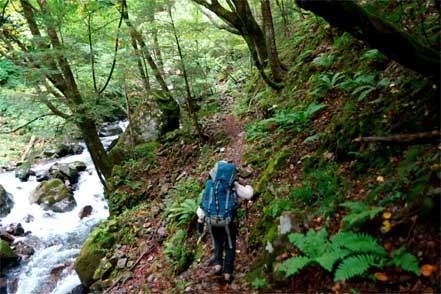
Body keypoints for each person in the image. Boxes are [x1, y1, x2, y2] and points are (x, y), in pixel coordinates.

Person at [196, 161, 253, 283]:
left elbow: (203, 206)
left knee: (217, 242)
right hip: (227, 221)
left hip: (211, 220)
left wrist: (200, 221)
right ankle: (227, 273)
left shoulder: (209, 184)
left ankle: (217, 266)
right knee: (230, 245)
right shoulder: (232, 184)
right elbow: (248, 195)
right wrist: (248, 187)